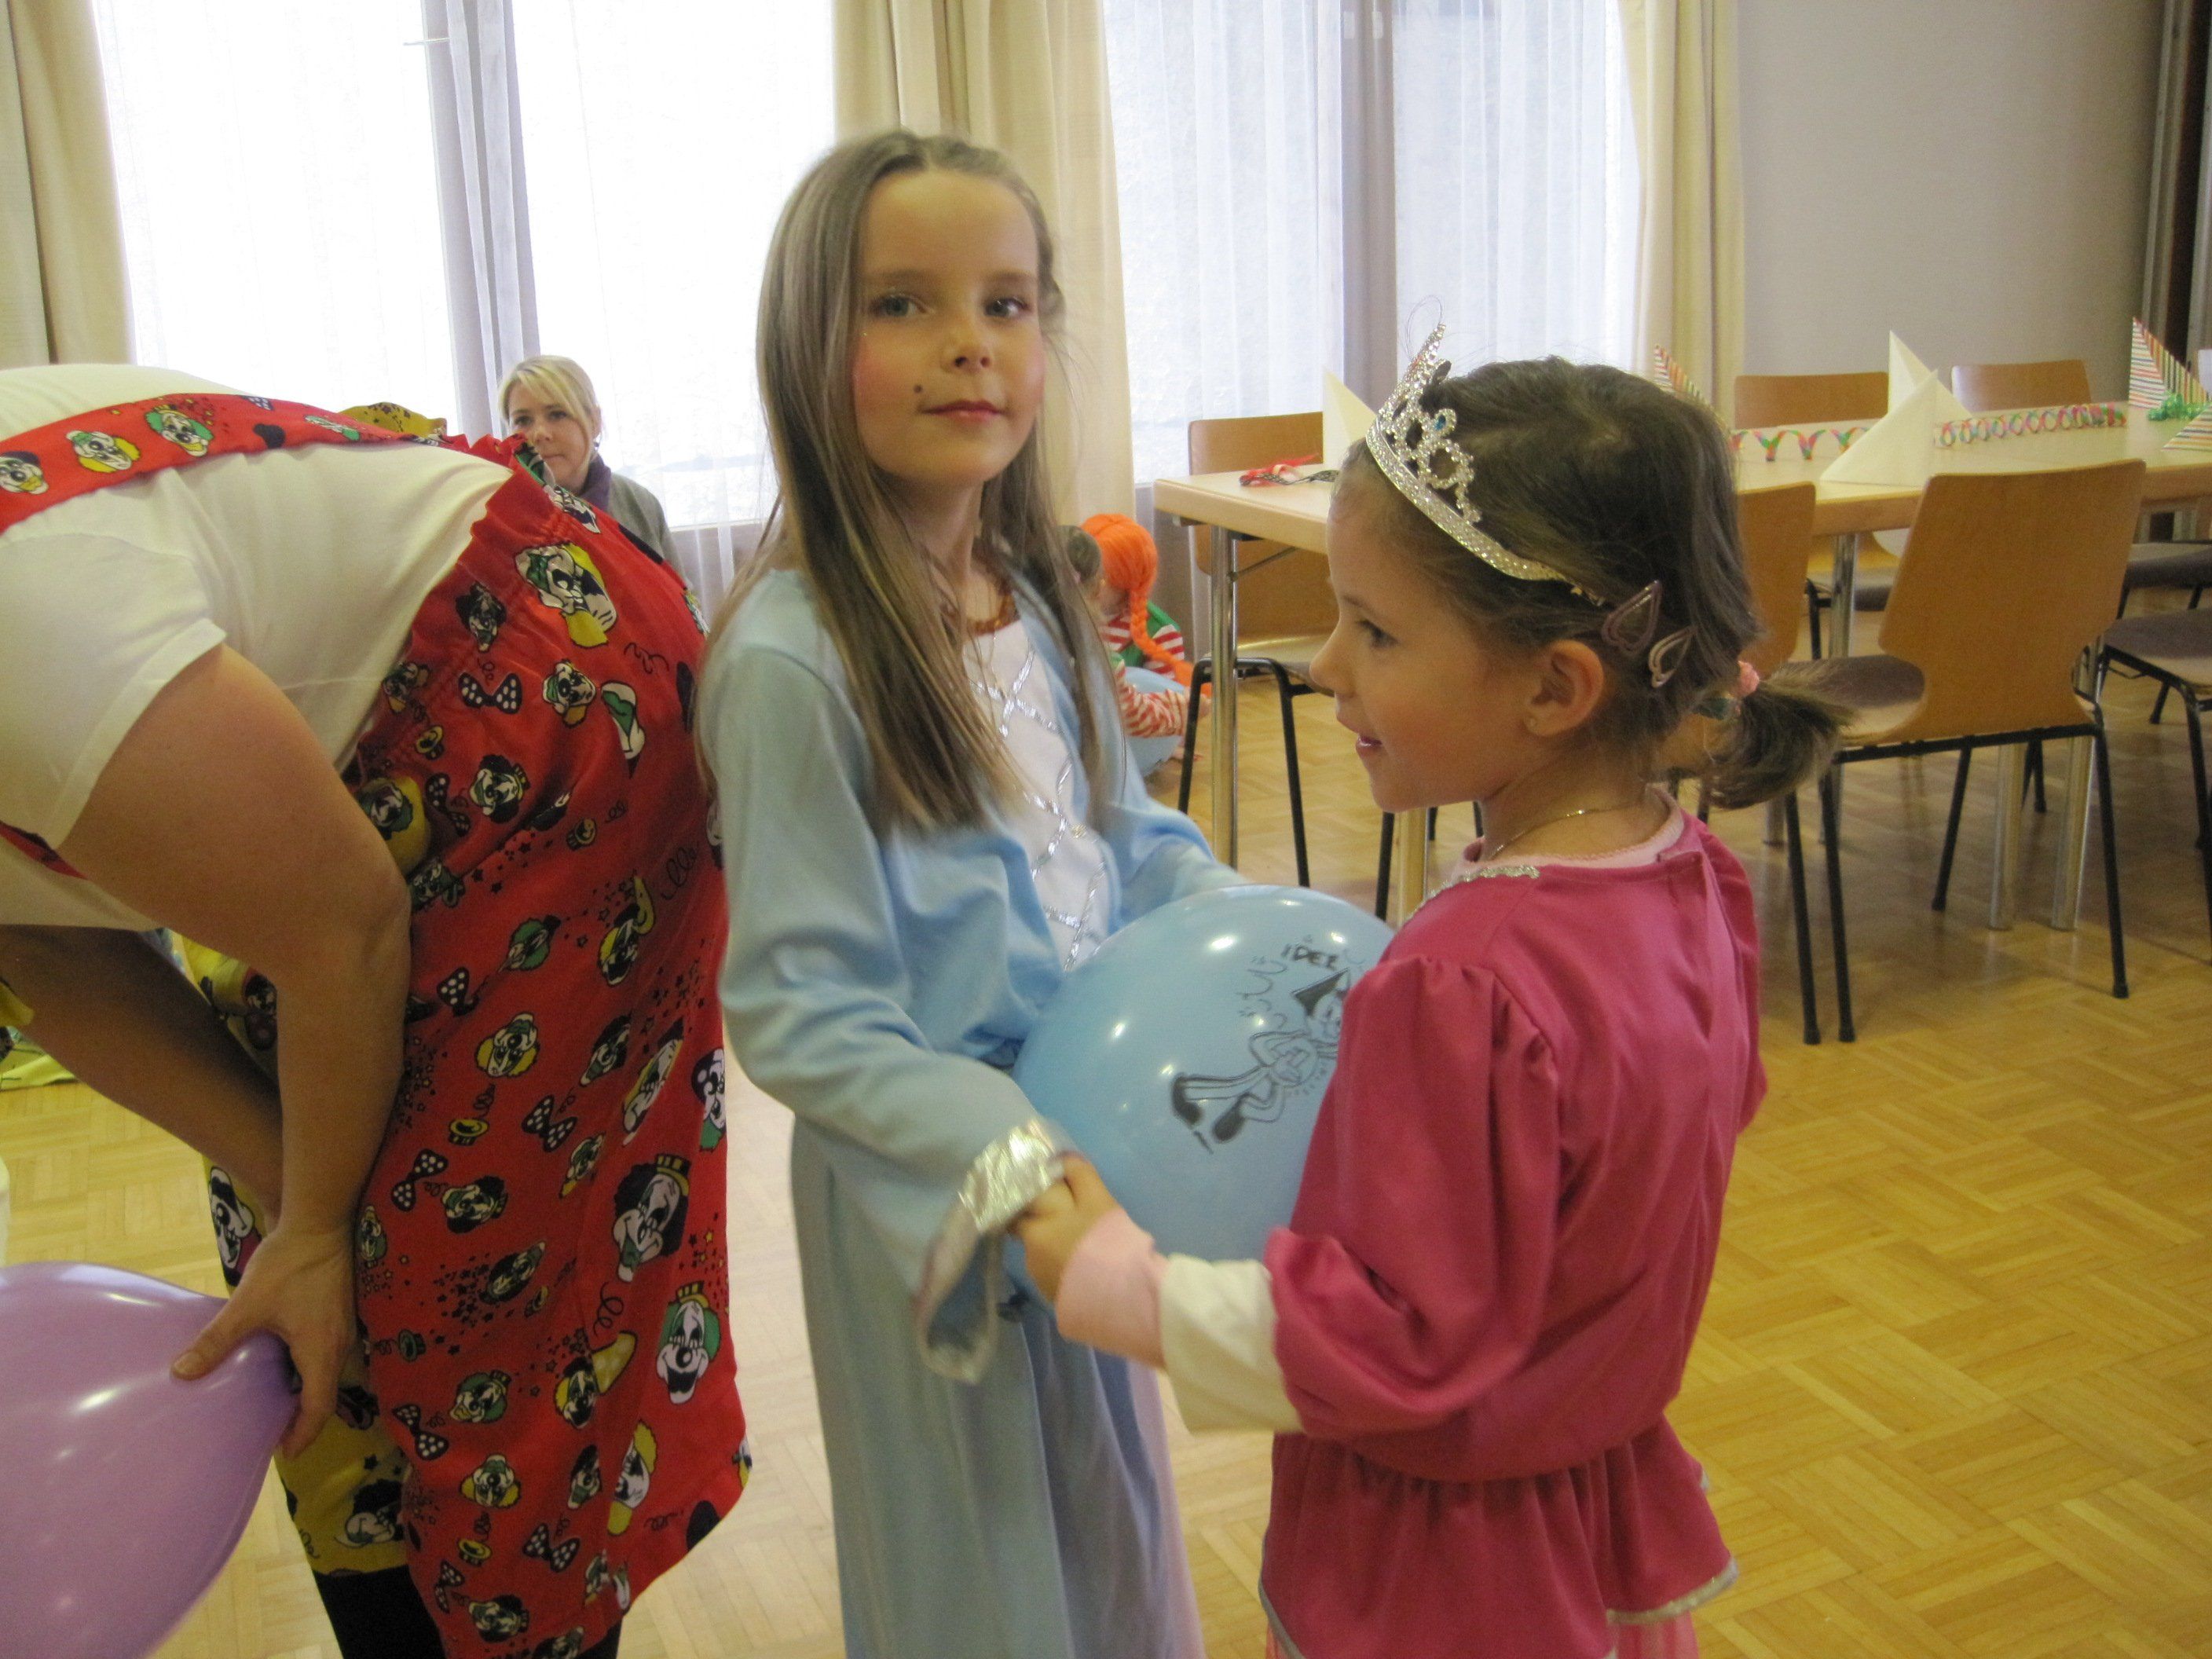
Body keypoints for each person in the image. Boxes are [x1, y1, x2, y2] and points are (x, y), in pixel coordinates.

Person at [1017, 340, 1843, 1659]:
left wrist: (1123, 1281)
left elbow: (1397, 1340)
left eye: (1378, 629)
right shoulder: (1696, 878)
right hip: (1588, 1511)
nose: (1326, 664)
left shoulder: (1460, 979)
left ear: (1556, 686)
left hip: (1441, 1573)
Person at [0, 366, 749, 1659]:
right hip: (348, 766)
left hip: (551, 701)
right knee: (310, 1293)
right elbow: (48, 947)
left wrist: (326, 1219)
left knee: (478, 1308)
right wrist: (303, 1216)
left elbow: (339, 932)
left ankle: (523, 1628)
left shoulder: (26, 636)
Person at [700, 130, 1239, 1659]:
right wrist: (1014, 1159)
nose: (968, 345)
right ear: (810, 345)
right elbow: (803, 1012)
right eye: (902, 305)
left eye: (1006, 303)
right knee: (980, 1570)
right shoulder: (793, 660)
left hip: (1086, 1160)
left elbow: (1124, 838)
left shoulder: (1042, 599)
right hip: (935, 1202)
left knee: (1106, 1528)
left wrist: (1242, 941)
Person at [501, 353, 674, 564]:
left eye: (557, 414)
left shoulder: (639, 504)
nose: (540, 433)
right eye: (523, 420)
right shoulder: (497, 518)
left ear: (594, 421)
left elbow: (678, 586)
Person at [1063, 523, 1188, 775]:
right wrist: (1185, 711)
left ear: (1125, 582)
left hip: (1123, 749)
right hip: (1094, 749)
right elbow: (1129, 710)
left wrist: (1177, 727)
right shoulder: (1090, 645)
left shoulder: (1158, 630)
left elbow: (1158, 695)